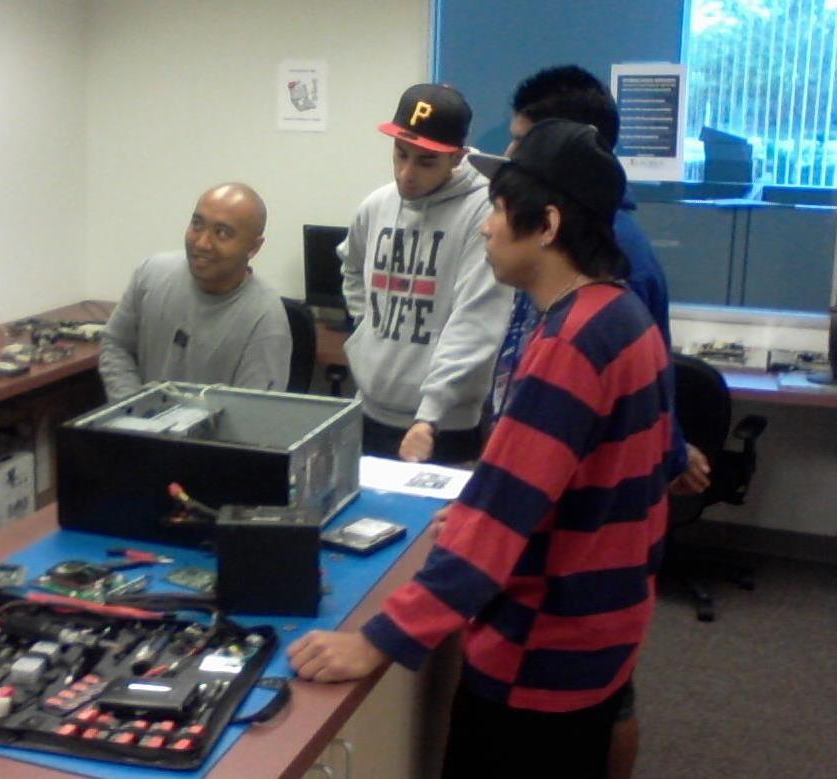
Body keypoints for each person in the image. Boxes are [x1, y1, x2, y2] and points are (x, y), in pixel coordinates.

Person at [289, 119, 674, 779]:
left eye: (499, 210)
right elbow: (594, 487)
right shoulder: (622, 316)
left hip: (541, 658)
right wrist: (480, 513)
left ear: (547, 225)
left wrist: (377, 641)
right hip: (602, 635)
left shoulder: (569, 345)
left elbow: (498, 526)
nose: (488, 227)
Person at [497, 65, 710, 779]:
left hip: (587, 533)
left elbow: (639, 390)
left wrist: (672, 451)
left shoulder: (616, 262)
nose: (513, 158)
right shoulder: (562, 255)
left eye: (525, 143)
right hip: (555, 497)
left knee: (603, 695)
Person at [338, 83, 513, 464]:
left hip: (442, 427)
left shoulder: (483, 214)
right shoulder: (376, 205)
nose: (407, 173)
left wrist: (430, 415)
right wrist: (366, 327)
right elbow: (351, 266)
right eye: (401, 154)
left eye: (426, 162)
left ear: (456, 157)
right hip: (369, 411)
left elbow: (476, 321)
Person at [98, 183, 291, 402]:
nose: (201, 243)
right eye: (197, 225)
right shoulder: (151, 273)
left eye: (221, 233)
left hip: (214, 424)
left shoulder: (266, 318)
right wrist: (132, 408)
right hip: (139, 419)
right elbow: (116, 345)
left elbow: (253, 410)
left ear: (254, 247)